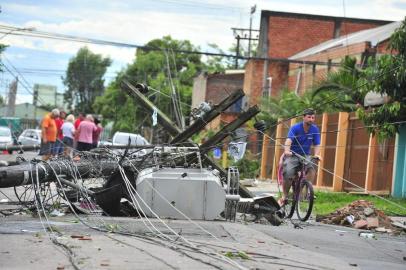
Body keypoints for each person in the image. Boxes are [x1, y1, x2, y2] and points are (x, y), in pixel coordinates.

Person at [280, 108, 321, 206]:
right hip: (292, 155)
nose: (311, 119)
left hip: (305, 155)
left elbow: (317, 144)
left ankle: (305, 190)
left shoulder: (315, 129)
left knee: (312, 167)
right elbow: (288, 140)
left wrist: (316, 154)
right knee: (288, 173)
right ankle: (285, 196)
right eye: (309, 117)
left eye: (313, 117)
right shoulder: (295, 128)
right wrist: (286, 151)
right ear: (303, 117)